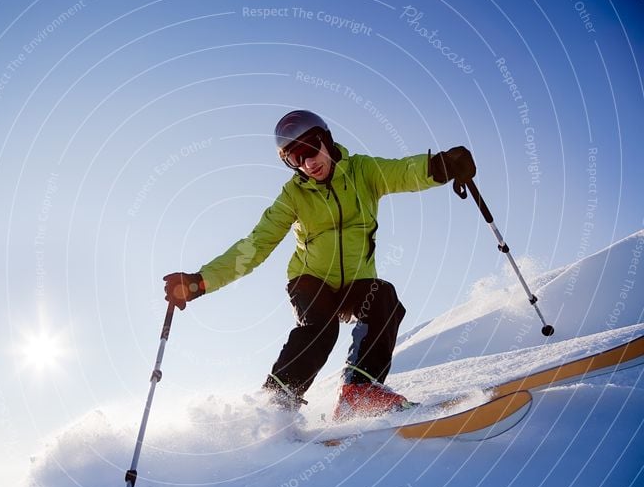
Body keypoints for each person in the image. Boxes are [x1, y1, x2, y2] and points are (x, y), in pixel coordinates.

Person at [164, 110, 475, 420]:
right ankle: (276, 402)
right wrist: (201, 281)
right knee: (320, 327)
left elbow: (402, 172)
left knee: (384, 299)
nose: (308, 164)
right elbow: (255, 245)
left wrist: (439, 166)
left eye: (311, 150)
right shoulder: (293, 196)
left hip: (356, 280)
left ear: (326, 140)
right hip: (311, 279)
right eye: (295, 159)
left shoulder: (362, 171)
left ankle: (360, 392)